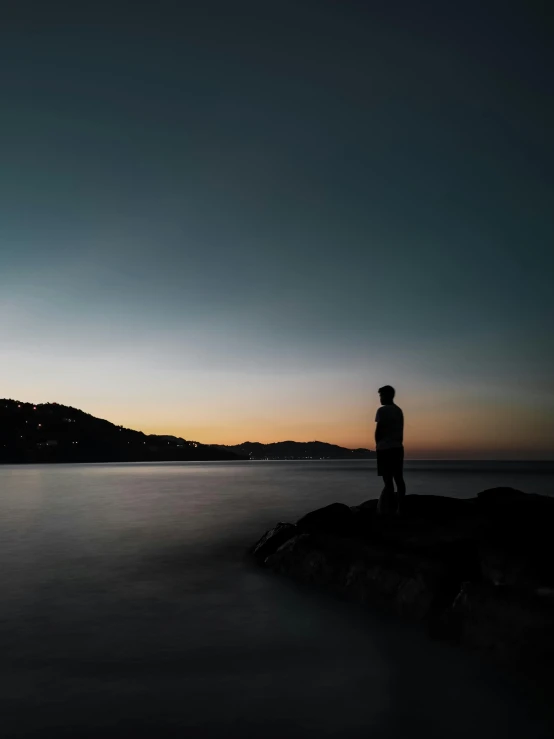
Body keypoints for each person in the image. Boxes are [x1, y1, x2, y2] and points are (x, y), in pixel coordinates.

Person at [375, 385, 405, 514]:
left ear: (387, 396)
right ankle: (401, 508)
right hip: (397, 448)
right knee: (399, 479)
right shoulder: (398, 410)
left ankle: (387, 509)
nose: (380, 399)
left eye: (381, 395)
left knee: (388, 481)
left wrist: (378, 445)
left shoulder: (382, 410)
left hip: (385, 449)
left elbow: (379, 430)